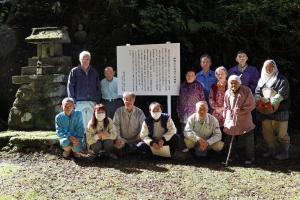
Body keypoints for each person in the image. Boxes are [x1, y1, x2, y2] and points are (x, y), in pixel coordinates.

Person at [255, 60, 290, 160]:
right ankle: (271, 149)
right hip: (264, 112)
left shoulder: (282, 80)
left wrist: (269, 103)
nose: (269, 69)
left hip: (280, 111)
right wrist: (259, 101)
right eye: (266, 67)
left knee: (282, 134)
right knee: (267, 134)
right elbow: (257, 93)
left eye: (271, 67)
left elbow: (282, 94)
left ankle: (284, 152)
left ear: (275, 68)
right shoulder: (261, 80)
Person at [223, 75, 256, 165]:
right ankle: (231, 156)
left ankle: (250, 158)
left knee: (248, 138)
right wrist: (226, 117)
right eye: (231, 83)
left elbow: (251, 103)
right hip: (231, 119)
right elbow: (225, 106)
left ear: (239, 83)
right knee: (230, 137)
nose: (233, 84)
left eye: (235, 83)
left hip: (244, 118)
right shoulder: (227, 92)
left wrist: (241, 110)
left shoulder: (246, 90)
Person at [67, 51, 101, 129]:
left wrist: (98, 101)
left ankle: (90, 140)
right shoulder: (74, 71)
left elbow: (98, 88)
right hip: (79, 102)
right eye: (83, 59)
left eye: (87, 59)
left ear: (90, 60)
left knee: (91, 124)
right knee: (80, 123)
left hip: (92, 102)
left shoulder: (94, 72)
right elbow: (70, 87)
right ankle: (81, 140)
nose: (85, 61)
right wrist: (72, 101)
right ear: (80, 60)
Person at [177, 68, 205, 132]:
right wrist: (179, 112)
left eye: (192, 75)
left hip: (195, 114)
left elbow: (203, 100)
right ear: (185, 76)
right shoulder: (182, 86)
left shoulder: (198, 86)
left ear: (195, 76)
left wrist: (201, 113)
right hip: (183, 114)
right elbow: (178, 100)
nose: (190, 77)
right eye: (188, 75)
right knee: (185, 132)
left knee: (195, 134)